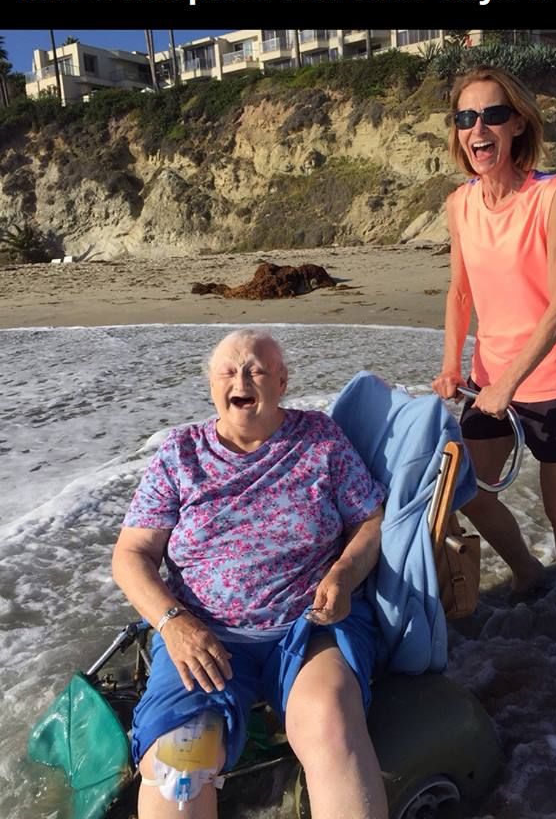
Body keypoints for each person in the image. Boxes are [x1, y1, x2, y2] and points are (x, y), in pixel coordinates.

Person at [112, 329, 387, 819]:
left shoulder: (320, 440)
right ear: (211, 384)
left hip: (310, 627)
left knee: (330, 722)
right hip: (203, 635)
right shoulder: (180, 454)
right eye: (228, 370)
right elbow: (131, 554)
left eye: (257, 369)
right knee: (179, 769)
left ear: (282, 381)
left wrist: (344, 574)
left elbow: (370, 519)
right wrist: (174, 623)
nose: (241, 379)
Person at [432, 66, 556, 615]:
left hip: (552, 381)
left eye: (493, 115)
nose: (478, 128)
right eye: (466, 117)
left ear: (519, 124)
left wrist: (510, 382)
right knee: (470, 493)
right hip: (487, 380)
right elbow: (461, 292)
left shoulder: (552, 195)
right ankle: (528, 571)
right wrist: (451, 365)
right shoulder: (459, 203)